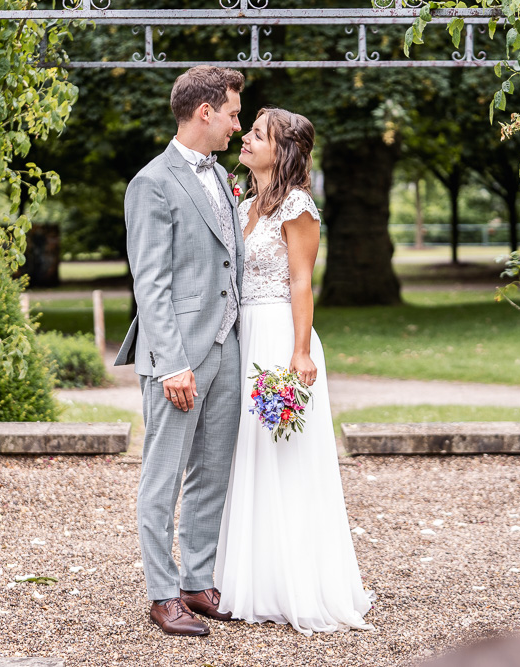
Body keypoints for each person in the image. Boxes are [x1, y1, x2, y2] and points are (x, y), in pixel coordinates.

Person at [214, 107, 374, 636]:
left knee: (284, 458)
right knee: (249, 456)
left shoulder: (298, 207)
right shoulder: (244, 203)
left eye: (256, 135)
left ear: (280, 151)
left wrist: (300, 352)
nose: (245, 139)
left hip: (281, 338)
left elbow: (302, 283)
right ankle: (251, 580)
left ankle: (299, 583)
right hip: (244, 338)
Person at [115, 65, 245, 637]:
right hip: (179, 359)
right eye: (234, 114)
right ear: (205, 112)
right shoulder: (151, 182)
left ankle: (196, 580)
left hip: (227, 348)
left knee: (213, 472)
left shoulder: (221, 176)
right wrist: (171, 363)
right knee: (163, 477)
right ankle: (162, 593)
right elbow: (151, 283)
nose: (239, 127)